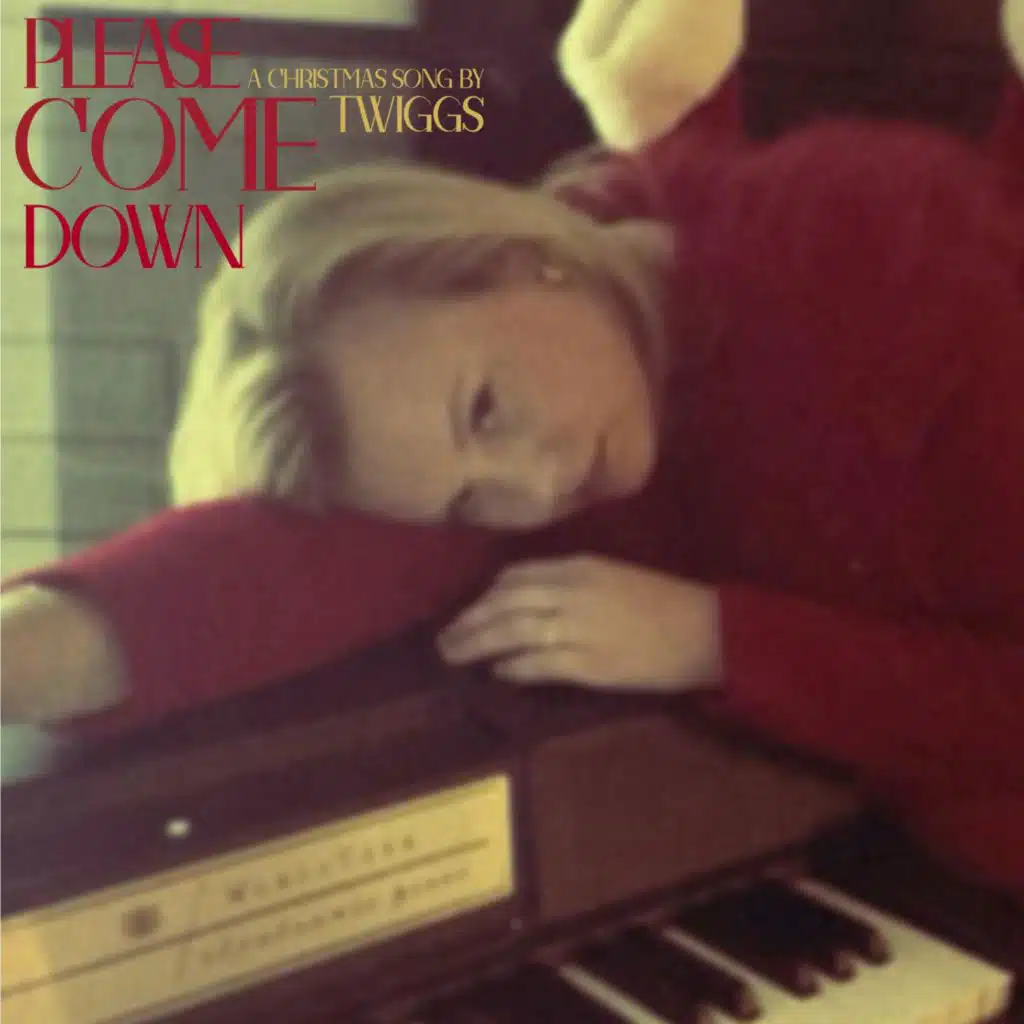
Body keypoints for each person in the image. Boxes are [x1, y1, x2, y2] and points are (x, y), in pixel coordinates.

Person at [2, 0, 1023, 899]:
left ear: (524, 256)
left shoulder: (898, 286)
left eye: (486, 414)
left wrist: (721, 641)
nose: (531, 490)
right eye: (465, 501)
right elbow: (301, 560)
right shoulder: (544, 365)